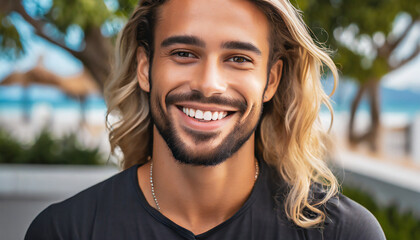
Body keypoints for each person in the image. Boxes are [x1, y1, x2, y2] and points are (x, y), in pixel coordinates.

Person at [25, 0, 386, 239]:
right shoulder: (66, 230)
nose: (208, 85)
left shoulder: (342, 233)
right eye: (184, 53)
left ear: (271, 80)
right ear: (145, 68)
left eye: (239, 58)